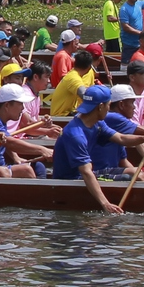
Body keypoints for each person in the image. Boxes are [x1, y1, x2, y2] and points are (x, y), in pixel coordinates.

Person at [50, 84, 126, 214]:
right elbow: (86, 172)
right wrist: (105, 203)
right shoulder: (75, 135)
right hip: (72, 180)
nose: (109, 109)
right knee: (133, 178)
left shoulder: (97, 122)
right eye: (109, 105)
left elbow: (121, 138)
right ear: (101, 107)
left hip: (87, 174)